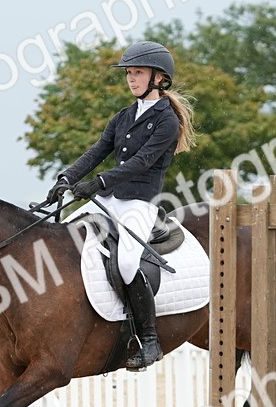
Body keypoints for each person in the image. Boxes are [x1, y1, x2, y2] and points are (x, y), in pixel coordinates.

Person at [51, 40, 196, 370]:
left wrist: (99, 182)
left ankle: (149, 340)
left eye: (138, 73)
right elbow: (96, 151)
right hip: (109, 200)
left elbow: (142, 162)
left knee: (128, 264)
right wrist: (66, 178)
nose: (131, 79)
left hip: (139, 203)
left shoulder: (167, 121)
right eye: (129, 73)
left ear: (159, 78)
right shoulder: (124, 116)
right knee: (64, 238)